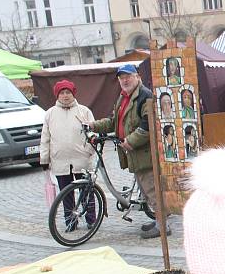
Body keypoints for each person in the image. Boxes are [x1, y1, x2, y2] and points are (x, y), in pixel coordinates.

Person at [90, 64, 167, 238]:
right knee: (146, 190)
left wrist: (130, 141)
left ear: (137, 77)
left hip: (145, 153)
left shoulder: (145, 96)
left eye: (128, 76)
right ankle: (157, 220)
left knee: (152, 190)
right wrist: (94, 125)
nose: (124, 80)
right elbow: (114, 121)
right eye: (121, 78)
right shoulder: (124, 97)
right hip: (134, 153)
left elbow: (149, 125)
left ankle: (163, 226)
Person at [40, 79, 96, 232]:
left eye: (68, 92)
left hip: (82, 159)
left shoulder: (84, 111)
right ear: (57, 95)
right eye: (62, 93)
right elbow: (45, 138)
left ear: (73, 93)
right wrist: (44, 159)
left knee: (86, 192)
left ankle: (91, 220)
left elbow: (93, 134)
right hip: (60, 161)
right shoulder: (50, 114)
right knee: (66, 194)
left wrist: (91, 152)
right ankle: (70, 221)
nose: (65, 96)